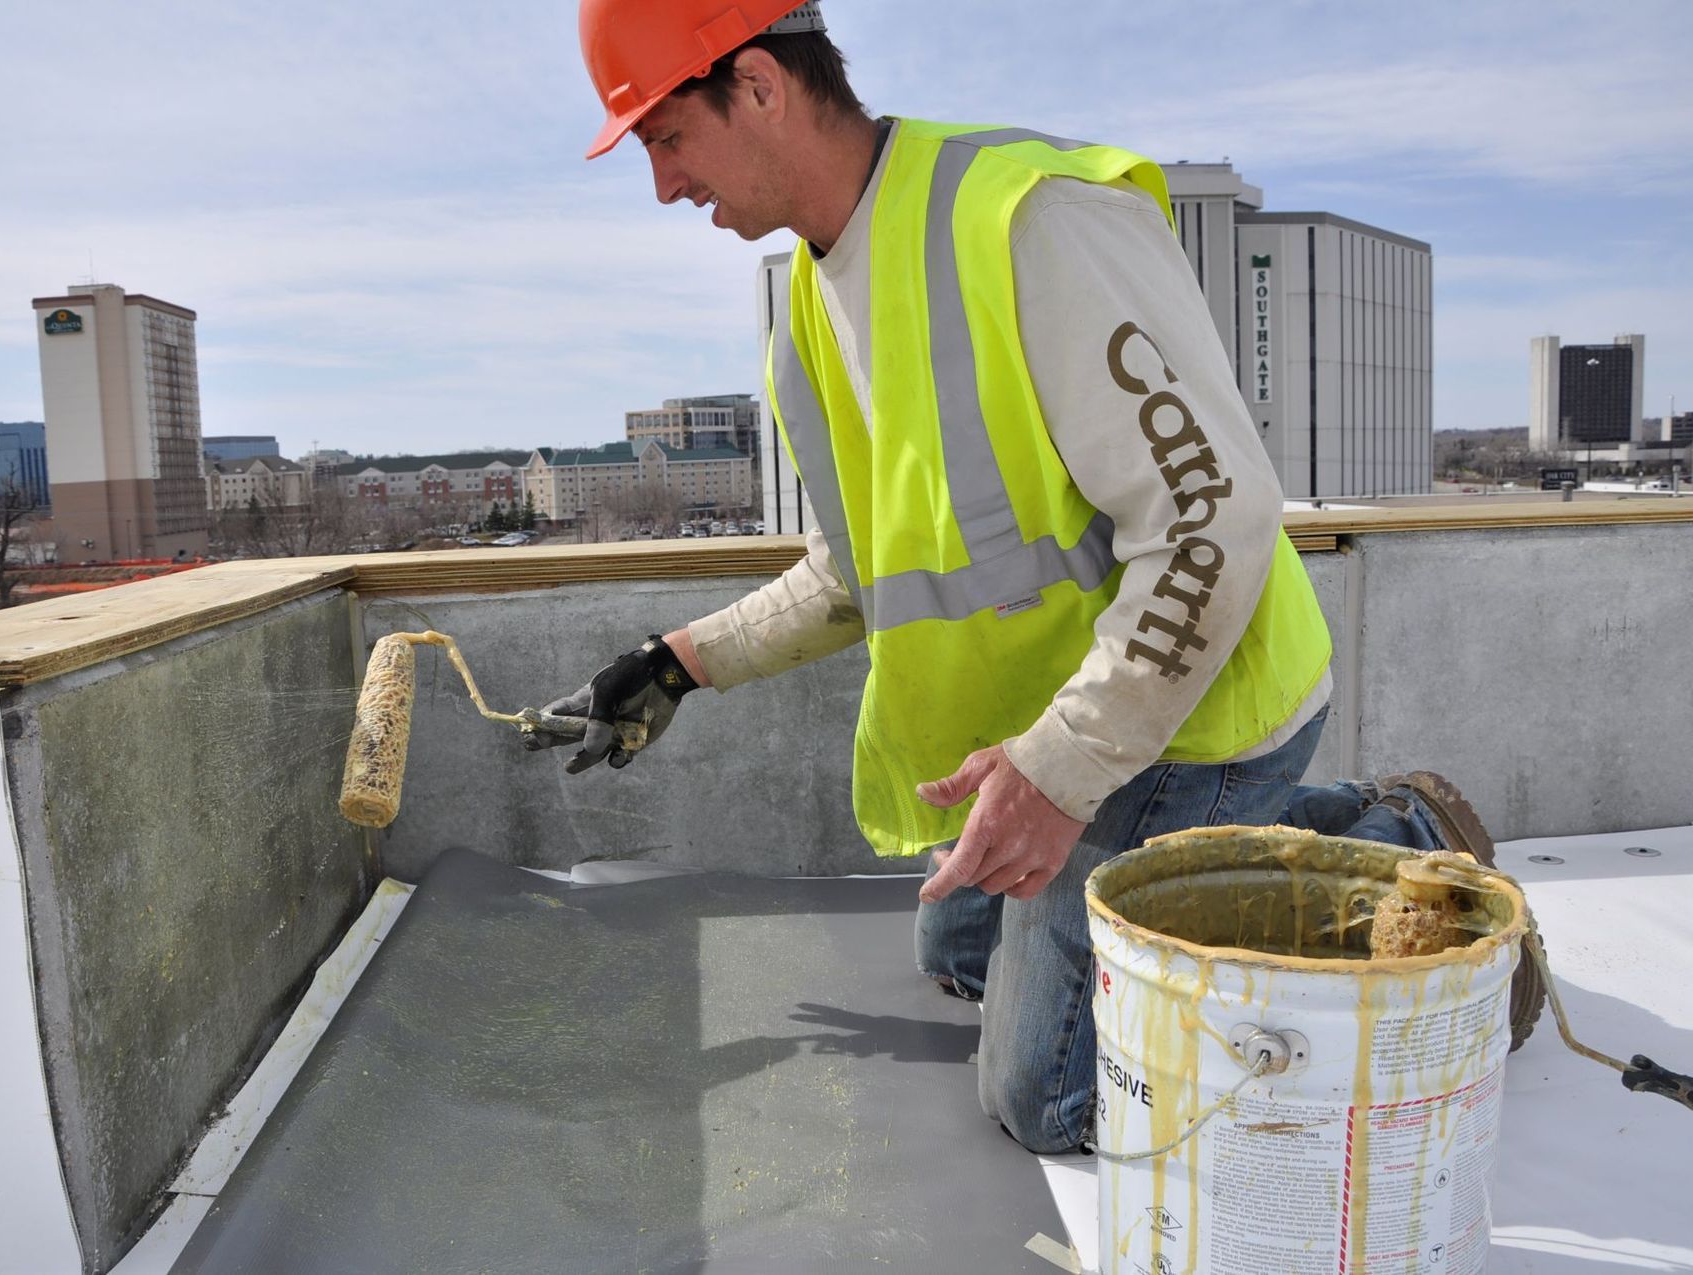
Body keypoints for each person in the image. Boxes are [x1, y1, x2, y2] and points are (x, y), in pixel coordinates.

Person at [533, 0, 1526, 1156]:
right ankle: (1235, 849)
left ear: (755, 83)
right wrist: (676, 665)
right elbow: (858, 575)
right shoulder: (809, 305)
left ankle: (1394, 834)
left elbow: (1214, 516)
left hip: (1197, 716)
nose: (662, 188)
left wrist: (1055, 777)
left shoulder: (1028, 217)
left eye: (663, 138)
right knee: (957, 955)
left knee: (1044, 1098)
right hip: (1067, 723)